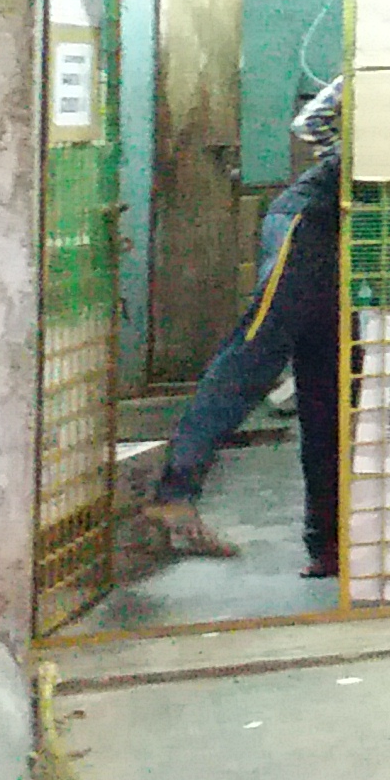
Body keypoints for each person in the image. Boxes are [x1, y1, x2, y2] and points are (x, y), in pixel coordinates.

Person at [140, 78, 346, 575]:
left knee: (328, 392)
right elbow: (310, 121)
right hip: (307, 223)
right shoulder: (374, 63)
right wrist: (355, 158)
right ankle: (176, 492)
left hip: (344, 235)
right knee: (255, 354)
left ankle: (327, 547)